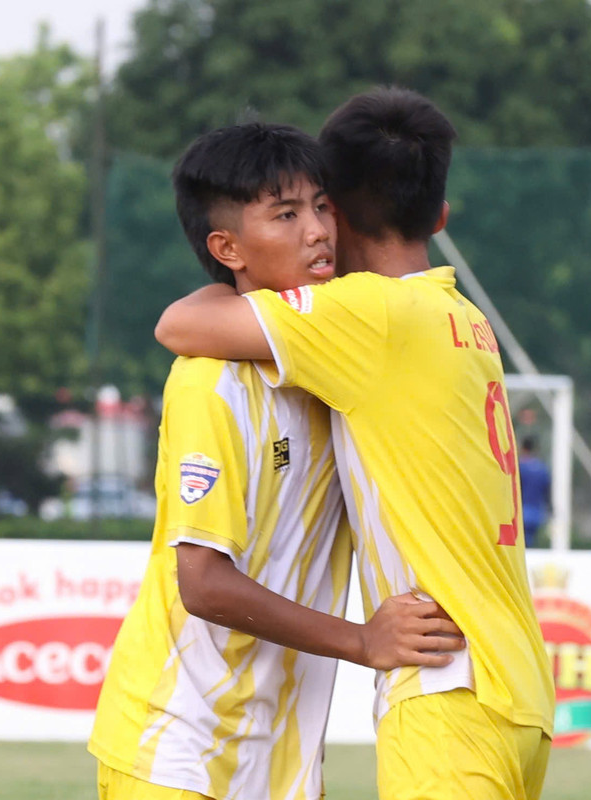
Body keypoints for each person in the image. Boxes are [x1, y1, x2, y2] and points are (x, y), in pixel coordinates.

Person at [156, 89, 555, 800]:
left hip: (446, 687)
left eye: (315, 208)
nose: (310, 228)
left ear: (334, 211)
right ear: (440, 216)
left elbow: (179, 326)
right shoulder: (462, 317)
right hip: (516, 682)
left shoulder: (366, 317)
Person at [89, 123, 463, 800]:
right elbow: (203, 583)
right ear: (227, 248)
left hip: (282, 763)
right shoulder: (212, 382)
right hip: (179, 751)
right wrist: (363, 640)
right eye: (285, 215)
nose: (317, 231)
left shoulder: (340, 360)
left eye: (321, 206)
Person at [518, 436, 552, 548]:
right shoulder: (542, 469)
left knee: (521, 545)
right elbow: (547, 492)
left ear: (522, 448)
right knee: (531, 543)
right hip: (537, 514)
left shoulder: (520, 467)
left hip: (522, 513)